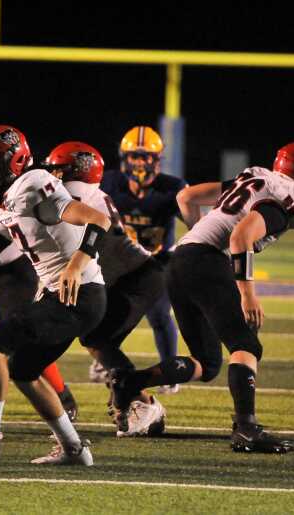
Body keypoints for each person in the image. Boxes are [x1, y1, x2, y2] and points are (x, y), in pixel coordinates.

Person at [111, 141, 294, 453]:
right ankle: (246, 428)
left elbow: (186, 196)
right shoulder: (288, 197)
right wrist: (248, 294)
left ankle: (129, 384)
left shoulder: (255, 178)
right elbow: (240, 237)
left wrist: (198, 234)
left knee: (207, 362)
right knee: (246, 345)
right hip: (204, 260)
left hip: (180, 260)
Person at [0, 126, 110, 465]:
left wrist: (76, 263)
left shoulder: (34, 183)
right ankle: (73, 449)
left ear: (13, 162)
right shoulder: (5, 200)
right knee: (24, 370)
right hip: (63, 296)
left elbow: (98, 220)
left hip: (80, 293)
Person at [45, 141, 167, 436]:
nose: (54, 175)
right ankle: (131, 399)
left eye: (60, 169)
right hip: (128, 274)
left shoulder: (76, 193)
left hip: (134, 276)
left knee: (95, 338)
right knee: (96, 339)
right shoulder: (88, 192)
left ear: (77, 170)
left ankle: (142, 402)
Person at [98, 126, 185, 390]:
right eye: (136, 156)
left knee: (159, 314)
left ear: (157, 159)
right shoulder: (110, 183)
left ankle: (171, 371)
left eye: (147, 157)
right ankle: (106, 358)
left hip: (156, 262)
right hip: (120, 262)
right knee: (106, 313)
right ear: (125, 157)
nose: (141, 162)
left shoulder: (171, 188)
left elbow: (197, 223)